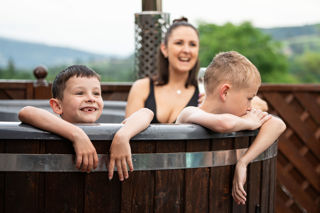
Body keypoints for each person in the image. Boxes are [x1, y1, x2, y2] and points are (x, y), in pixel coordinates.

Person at [176, 51, 286, 205]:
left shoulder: (237, 116)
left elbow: (278, 125)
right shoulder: (189, 113)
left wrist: (244, 161)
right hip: (182, 198)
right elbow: (224, 124)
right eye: (249, 98)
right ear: (225, 92)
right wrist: (249, 123)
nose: (250, 107)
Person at [18, 65, 154, 181]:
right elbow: (26, 112)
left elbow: (147, 113)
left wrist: (123, 136)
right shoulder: (56, 124)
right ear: (58, 106)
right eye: (79, 93)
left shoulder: (114, 131)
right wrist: (77, 135)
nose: (90, 99)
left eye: (96, 93)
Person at [126, 17, 268, 123]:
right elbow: (128, 130)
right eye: (179, 43)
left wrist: (213, 100)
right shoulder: (142, 87)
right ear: (164, 49)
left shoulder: (205, 89)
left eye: (192, 44)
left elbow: (261, 105)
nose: (186, 50)